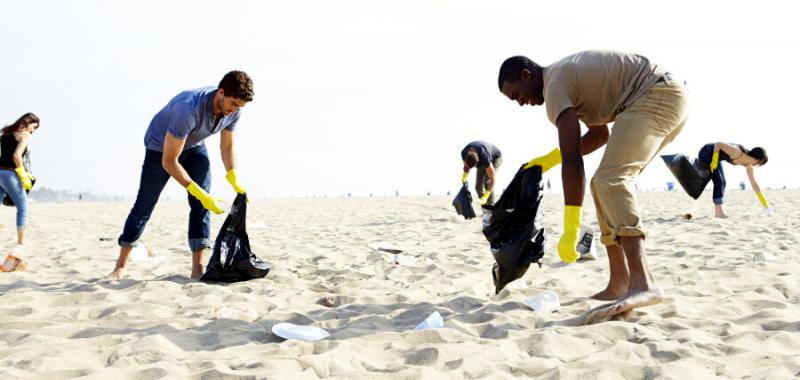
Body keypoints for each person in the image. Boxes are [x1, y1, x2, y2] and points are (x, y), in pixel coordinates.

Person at [498, 50, 689, 321]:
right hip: (665, 96)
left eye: (517, 95)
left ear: (527, 75)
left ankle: (643, 283)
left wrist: (571, 225)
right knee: (603, 185)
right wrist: (549, 160)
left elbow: (573, 160)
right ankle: (619, 283)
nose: (520, 103)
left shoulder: (554, 86)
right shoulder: (566, 81)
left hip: (655, 95)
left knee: (611, 180)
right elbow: (599, 135)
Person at [109, 71, 253, 279]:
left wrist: (233, 176)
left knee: (201, 206)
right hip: (160, 148)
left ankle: (197, 268)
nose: (235, 111)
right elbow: (169, 161)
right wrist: (198, 191)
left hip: (194, 146)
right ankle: (120, 265)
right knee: (144, 205)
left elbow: (227, 146)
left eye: (240, 107)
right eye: (233, 104)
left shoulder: (233, 110)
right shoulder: (188, 108)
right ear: (221, 92)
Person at [697, 142, 769, 218]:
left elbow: (754, 184)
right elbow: (718, 144)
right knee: (719, 181)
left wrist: (765, 204)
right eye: (759, 163)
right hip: (706, 152)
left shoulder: (748, 165)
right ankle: (719, 213)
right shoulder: (737, 152)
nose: (758, 165)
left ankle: (718, 212)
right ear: (756, 159)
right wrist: (714, 159)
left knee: (723, 183)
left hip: (715, 156)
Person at [0, 113, 39, 245]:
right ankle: (21, 241)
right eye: (34, 127)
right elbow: (17, 155)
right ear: (28, 123)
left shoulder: (5, 134)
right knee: (22, 207)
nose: (33, 131)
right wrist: (22, 174)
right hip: (11, 173)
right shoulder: (24, 135)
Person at [460, 140, 502, 206]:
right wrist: (465, 175)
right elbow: (466, 166)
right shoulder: (464, 153)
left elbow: (492, 179)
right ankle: (485, 207)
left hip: (495, 158)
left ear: (478, 161)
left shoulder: (485, 156)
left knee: (487, 182)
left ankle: (491, 206)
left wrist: (487, 195)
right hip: (481, 159)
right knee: (478, 186)